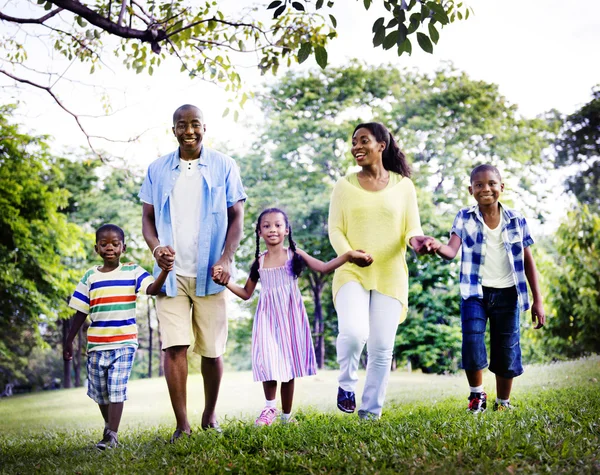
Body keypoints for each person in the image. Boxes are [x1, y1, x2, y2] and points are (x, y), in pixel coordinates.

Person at [139, 104, 247, 442]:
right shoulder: (157, 169)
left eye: (195, 124)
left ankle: (209, 414)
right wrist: (156, 249)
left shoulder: (224, 166)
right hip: (169, 274)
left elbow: (237, 217)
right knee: (174, 348)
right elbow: (147, 219)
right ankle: (181, 424)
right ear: (173, 130)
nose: (189, 131)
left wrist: (227, 259)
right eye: (182, 125)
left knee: (212, 352)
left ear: (204, 127)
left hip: (210, 272)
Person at [213, 208, 373, 425]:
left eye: (278, 225)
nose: (272, 229)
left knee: (288, 367)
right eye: (267, 226)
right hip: (267, 318)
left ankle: (286, 417)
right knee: (268, 361)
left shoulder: (295, 255)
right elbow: (246, 293)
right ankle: (270, 408)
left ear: (286, 230)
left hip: (291, 317)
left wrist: (348, 256)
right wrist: (226, 283)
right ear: (259, 232)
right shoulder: (258, 263)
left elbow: (324, 268)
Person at [328, 122, 431, 420]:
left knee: (382, 347)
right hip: (351, 270)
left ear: (381, 145)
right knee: (353, 332)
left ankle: (370, 413)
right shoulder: (344, 185)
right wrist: (349, 254)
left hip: (391, 272)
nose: (356, 147)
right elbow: (335, 229)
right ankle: (346, 384)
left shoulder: (403, 186)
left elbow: (412, 228)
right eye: (353, 142)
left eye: (364, 141)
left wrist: (418, 242)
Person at [426, 164, 545, 412]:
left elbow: (528, 260)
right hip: (474, 294)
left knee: (507, 347)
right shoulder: (464, 217)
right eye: (479, 185)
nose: (486, 188)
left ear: (502, 187)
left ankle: (503, 402)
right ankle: (477, 396)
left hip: (509, 293)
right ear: (471, 190)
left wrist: (538, 300)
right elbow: (450, 251)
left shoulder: (516, 220)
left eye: (491, 183)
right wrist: (436, 245)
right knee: (472, 342)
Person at [64, 224, 170, 450]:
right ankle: (108, 424)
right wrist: (69, 340)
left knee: (116, 388)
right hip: (97, 345)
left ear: (123, 247)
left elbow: (151, 289)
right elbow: (81, 311)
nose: (109, 248)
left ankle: (111, 435)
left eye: (115, 244)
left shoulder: (132, 271)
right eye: (104, 244)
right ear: (96, 248)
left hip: (124, 343)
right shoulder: (90, 276)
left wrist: (165, 272)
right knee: (101, 393)